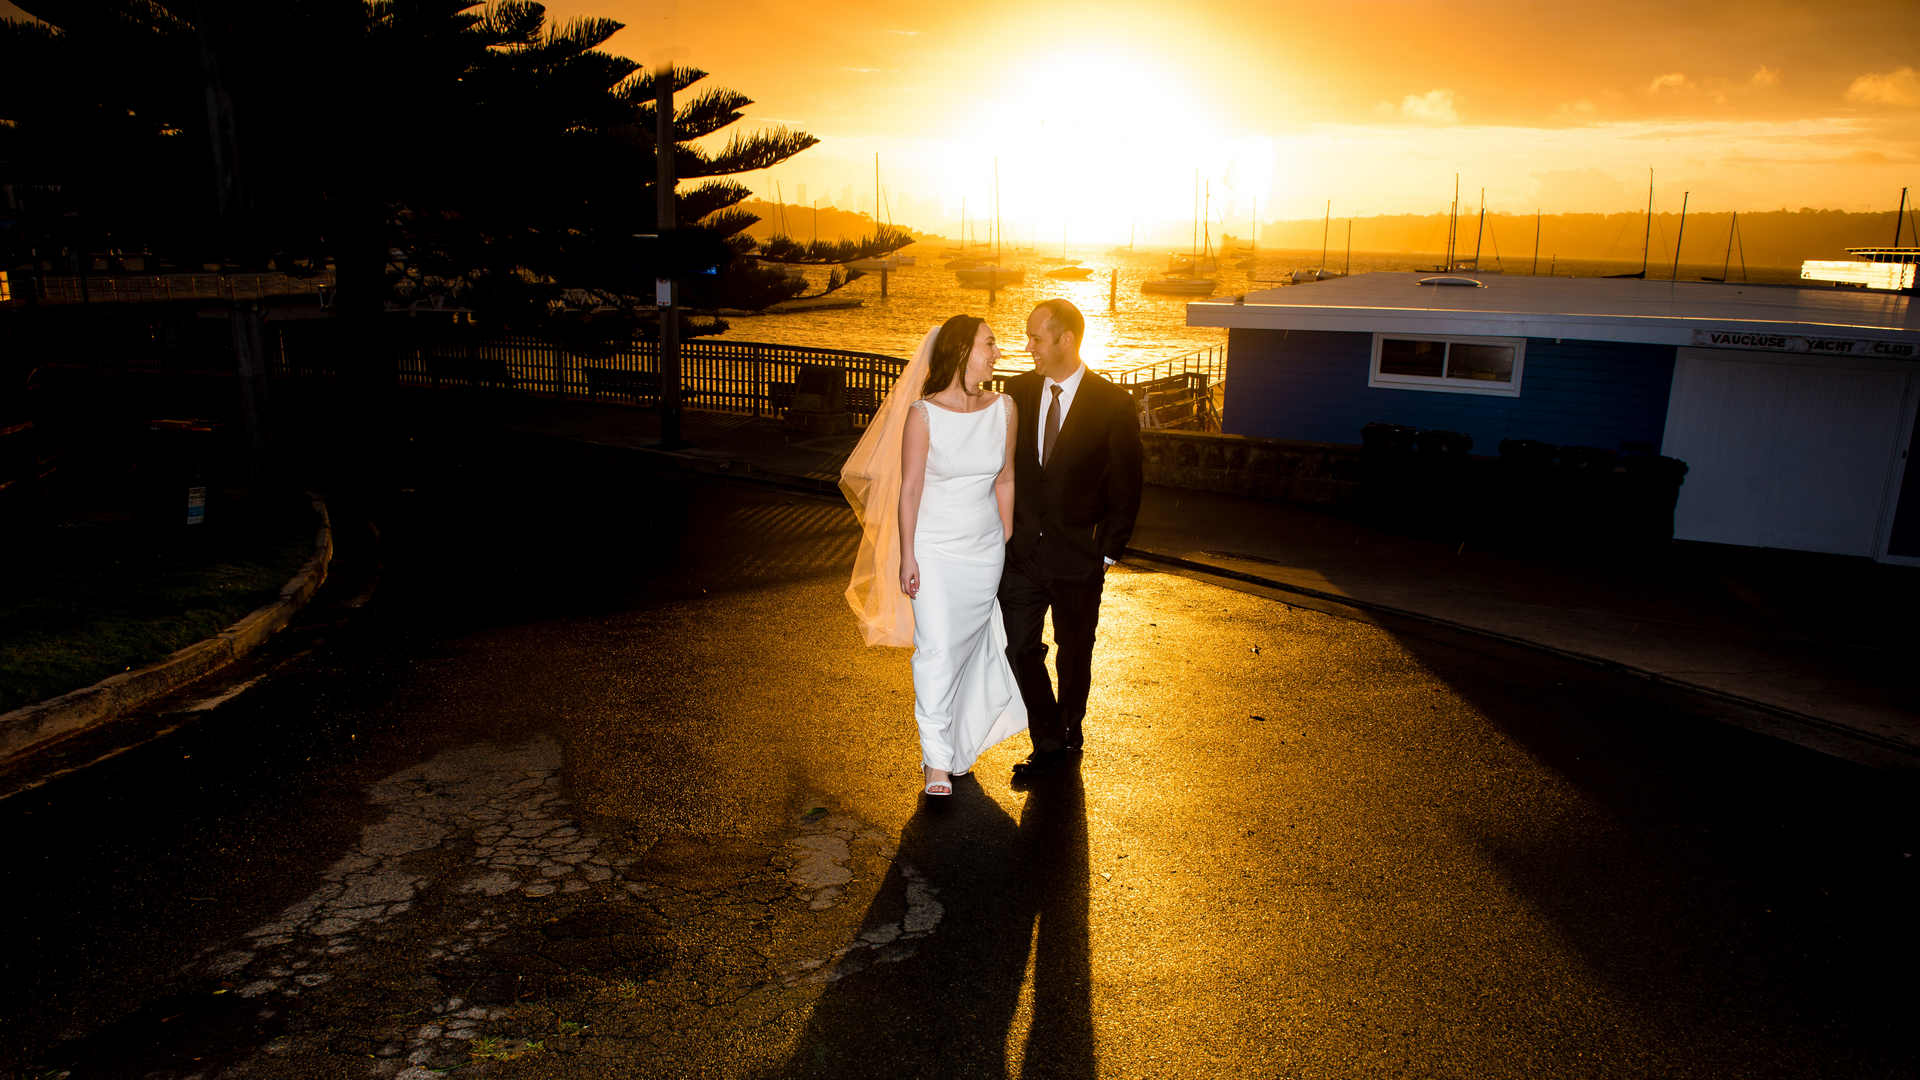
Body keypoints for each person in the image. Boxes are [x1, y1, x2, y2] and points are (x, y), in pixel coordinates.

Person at [841, 315, 1028, 796]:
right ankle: (936, 763)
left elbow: (1005, 477)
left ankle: (958, 744)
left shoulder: (1005, 408)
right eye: (991, 344)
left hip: (985, 549)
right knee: (939, 649)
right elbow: (909, 491)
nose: (998, 353)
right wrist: (908, 557)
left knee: (968, 649)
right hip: (935, 549)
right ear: (964, 350)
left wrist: (1002, 534)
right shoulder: (923, 415)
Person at [999, 299, 1143, 782]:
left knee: (1073, 651)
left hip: (1079, 557)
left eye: (1036, 338)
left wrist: (1105, 552)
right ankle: (1049, 736)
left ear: (1066, 340)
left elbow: (1127, 483)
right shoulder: (1016, 391)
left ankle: (1068, 727)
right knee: (1019, 647)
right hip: (1022, 555)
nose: (1028, 347)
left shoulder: (1112, 402)